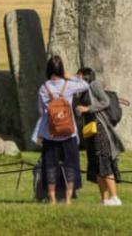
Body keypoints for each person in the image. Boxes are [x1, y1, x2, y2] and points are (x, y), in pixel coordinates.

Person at [37, 55, 87, 205]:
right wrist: (70, 77)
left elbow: (41, 111)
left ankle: (52, 197)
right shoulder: (69, 86)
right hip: (68, 132)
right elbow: (86, 85)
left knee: (50, 165)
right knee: (71, 164)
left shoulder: (43, 88)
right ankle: (68, 197)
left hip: (50, 134)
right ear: (61, 70)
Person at [76, 65, 123, 207]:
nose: (76, 77)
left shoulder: (93, 84)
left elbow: (105, 101)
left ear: (84, 75)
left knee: (104, 161)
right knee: (96, 164)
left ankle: (115, 197)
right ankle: (104, 199)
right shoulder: (81, 91)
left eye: (78, 75)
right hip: (90, 130)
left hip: (100, 130)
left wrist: (87, 108)